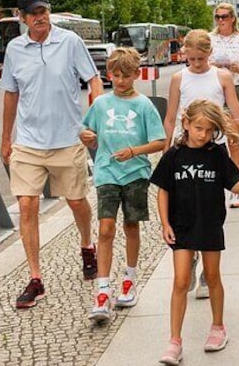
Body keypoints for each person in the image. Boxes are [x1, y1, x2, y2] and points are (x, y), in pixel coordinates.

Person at [0, 0, 104, 309]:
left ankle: (87, 246)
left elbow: (94, 81)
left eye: (43, 10)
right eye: (33, 13)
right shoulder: (15, 50)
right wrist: (6, 138)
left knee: (76, 202)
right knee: (27, 205)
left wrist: (93, 120)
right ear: (22, 18)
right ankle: (35, 279)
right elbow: (10, 94)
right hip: (29, 143)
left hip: (68, 139)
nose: (40, 16)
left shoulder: (70, 42)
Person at [163, 28, 239, 298]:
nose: (196, 64)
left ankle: (206, 269)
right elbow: (171, 117)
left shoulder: (221, 77)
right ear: (185, 53)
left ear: (209, 54)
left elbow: (238, 115)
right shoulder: (178, 78)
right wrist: (167, 151)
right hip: (184, 151)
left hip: (213, 150)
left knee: (210, 211)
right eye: (192, 58)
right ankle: (193, 256)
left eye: (201, 58)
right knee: (185, 209)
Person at [151, 99, 239, 365]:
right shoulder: (173, 155)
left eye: (209, 130)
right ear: (186, 124)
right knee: (180, 281)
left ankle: (218, 327)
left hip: (210, 224)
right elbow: (162, 191)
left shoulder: (216, 153)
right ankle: (174, 341)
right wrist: (165, 223)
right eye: (199, 128)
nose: (204, 134)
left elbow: (235, 183)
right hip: (181, 226)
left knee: (212, 277)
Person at [79, 48, 166, 324]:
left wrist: (134, 151)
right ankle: (102, 290)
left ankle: (129, 279)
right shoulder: (101, 104)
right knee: (105, 228)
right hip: (107, 173)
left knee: (131, 226)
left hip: (135, 173)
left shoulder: (143, 106)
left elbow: (160, 141)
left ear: (136, 75)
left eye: (125, 76)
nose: (120, 81)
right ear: (109, 75)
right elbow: (87, 132)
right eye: (115, 76)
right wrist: (88, 137)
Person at [209, 2, 239, 209]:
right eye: (218, 17)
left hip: (236, 88)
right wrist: (213, 65)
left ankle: (235, 189)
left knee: (233, 141)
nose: (221, 20)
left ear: (233, 18)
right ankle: (212, 185)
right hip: (214, 89)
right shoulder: (210, 39)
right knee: (210, 140)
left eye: (225, 16)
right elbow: (200, 62)